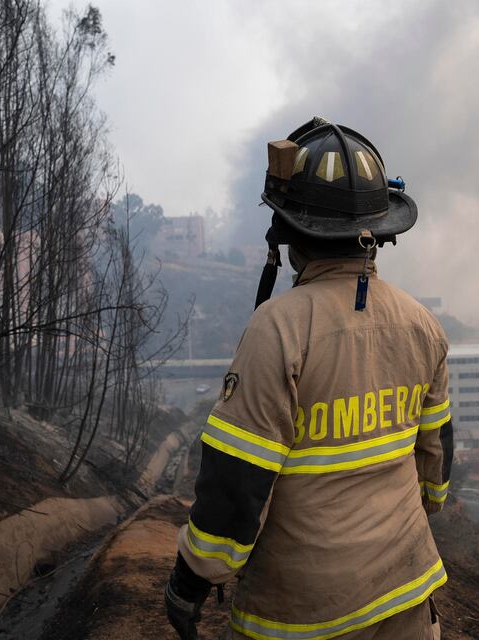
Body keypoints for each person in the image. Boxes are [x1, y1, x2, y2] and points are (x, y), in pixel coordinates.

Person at [164, 117, 454, 640]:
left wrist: (189, 581)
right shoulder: (422, 325)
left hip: (300, 614)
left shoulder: (279, 330)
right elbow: (434, 472)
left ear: (288, 232)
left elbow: (236, 483)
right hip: (407, 594)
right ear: (379, 230)